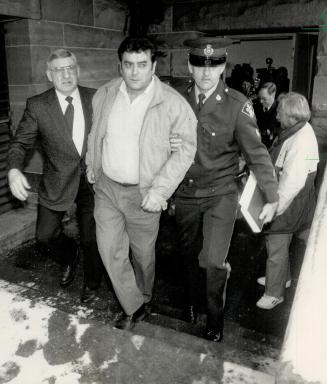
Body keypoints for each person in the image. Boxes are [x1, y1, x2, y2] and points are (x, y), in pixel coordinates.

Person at [86, 36, 197, 331]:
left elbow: (185, 151)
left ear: (153, 65)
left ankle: (145, 296)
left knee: (143, 256)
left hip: (144, 193)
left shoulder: (173, 103)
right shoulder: (105, 94)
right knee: (109, 249)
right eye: (128, 65)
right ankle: (134, 306)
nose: (135, 72)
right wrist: (91, 164)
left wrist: (160, 191)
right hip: (107, 188)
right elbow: (95, 134)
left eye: (142, 65)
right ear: (120, 66)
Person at [173, 37, 279, 342]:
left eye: (215, 65)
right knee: (189, 255)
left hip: (221, 193)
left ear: (223, 66)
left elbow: (257, 153)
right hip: (185, 193)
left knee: (213, 260)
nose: (207, 73)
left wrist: (272, 195)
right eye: (200, 66)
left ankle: (215, 319)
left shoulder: (236, 104)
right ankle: (193, 301)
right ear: (190, 66)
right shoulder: (177, 99)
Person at [7, 49, 105, 307]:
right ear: (49, 75)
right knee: (44, 236)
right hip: (58, 179)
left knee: (91, 237)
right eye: (59, 69)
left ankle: (92, 284)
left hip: (92, 181)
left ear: (78, 70)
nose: (66, 74)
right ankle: (69, 254)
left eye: (70, 68)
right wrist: (14, 169)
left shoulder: (95, 98)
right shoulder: (38, 105)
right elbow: (19, 144)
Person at [256, 92, 319, 309]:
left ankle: (275, 293)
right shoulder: (299, 130)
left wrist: (276, 208)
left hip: (291, 200)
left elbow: (292, 182)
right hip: (297, 196)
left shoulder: (301, 141)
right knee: (282, 244)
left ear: (292, 116)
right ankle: (282, 277)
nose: (277, 116)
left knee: (276, 243)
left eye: (280, 112)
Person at [254, 82, 280, 148]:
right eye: (260, 98)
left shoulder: (280, 109)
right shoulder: (256, 107)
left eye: (264, 99)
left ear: (273, 95)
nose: (261, 101)